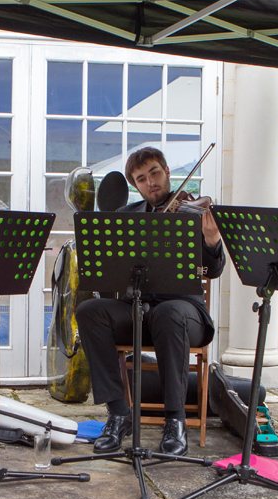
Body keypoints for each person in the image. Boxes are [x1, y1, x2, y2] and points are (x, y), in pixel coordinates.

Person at [75, 148, 226, 456]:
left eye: (155, 173)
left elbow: (213, 270)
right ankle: (119, 413)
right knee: (90, 311)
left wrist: (211, 241)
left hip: (184, 314)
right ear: (135, 184)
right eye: (141, 179)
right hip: (139, 312)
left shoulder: (192, 214)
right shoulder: (127, 217)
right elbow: (110, 277)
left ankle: (175, 420)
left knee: (169, 313)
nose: (150, 183)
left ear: (168, 171)